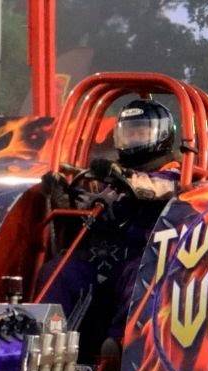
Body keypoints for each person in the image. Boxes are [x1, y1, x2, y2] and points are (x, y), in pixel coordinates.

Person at [35, 98, 181, 346]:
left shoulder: (173, 172)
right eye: (130, 133)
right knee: (58, 270)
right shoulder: (109, 177)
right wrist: (65, 195)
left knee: (140, 276)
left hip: (145, 255)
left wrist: (122, 176)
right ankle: (43, 345)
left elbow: (156, 190)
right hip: (101, 256)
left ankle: (118, 350)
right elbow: (92, 207)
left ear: (162, 135)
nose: (134, 138)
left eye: (141, 132)